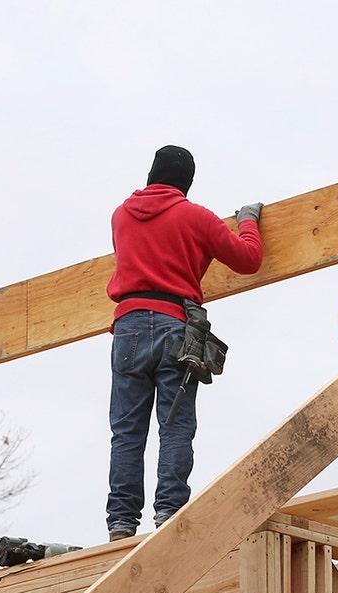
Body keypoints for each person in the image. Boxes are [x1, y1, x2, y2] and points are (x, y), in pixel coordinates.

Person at [104, 145, 264, 542]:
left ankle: (121, 522)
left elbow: (145, 254)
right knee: (175, 426)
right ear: (187, 184)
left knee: (126, 431)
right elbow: (248, 259)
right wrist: (248, 221)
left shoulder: (121, 216)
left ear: (151, 175)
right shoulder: (196, 217)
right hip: (176, 327)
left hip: (128, 326)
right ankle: (169, 513)